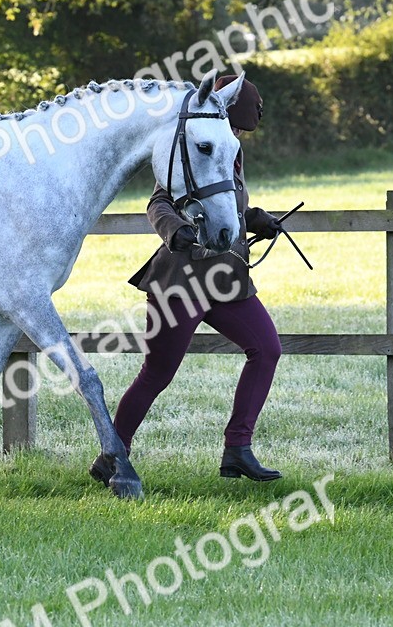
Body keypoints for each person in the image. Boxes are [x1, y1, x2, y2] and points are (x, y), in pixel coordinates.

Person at [92, 75, 286, 484]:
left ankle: (238, 448)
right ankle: (112, 454)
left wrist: (255, 219)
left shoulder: (228, 150)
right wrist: (173, 229)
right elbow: (159, 200)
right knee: (157, 374)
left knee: (266, 349)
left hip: (227, 279)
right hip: (181, 281)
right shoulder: (192, 149)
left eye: (237, 130)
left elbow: (225, 204)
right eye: (231, 125)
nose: (233, 135)